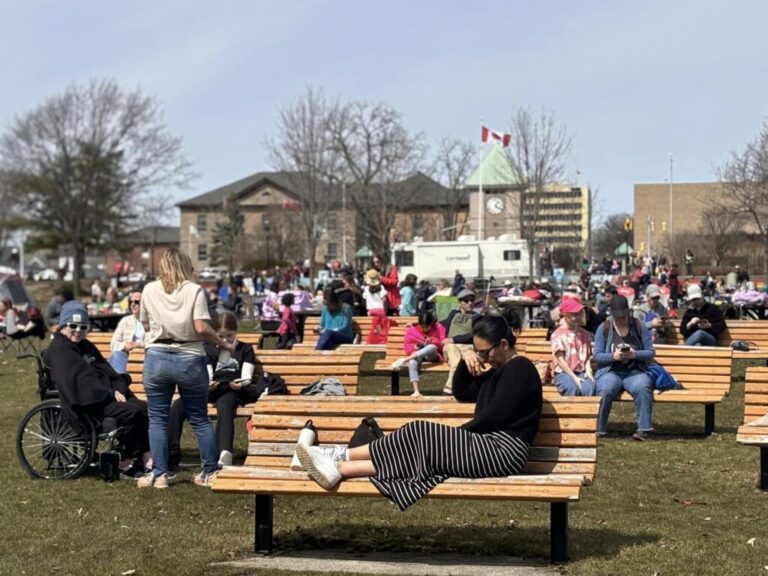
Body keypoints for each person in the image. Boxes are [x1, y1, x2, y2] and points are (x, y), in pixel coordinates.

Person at [294, 315, 542, 510]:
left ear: (504, 344)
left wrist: (458, 435)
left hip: (504, 451)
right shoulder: (494, 373)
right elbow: (462, 392)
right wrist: (466, 362)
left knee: (421, 432)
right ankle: (339, 468)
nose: (483, 358)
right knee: (418, 443)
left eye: (485, 352)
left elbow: (499, 414)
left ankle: (336, 455)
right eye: (478, 352)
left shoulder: (521, 368)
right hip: (484, 446)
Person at [138, 248, 236, 489]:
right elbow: (201, 327)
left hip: (157, 355)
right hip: (189, 356)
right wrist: (223, 343)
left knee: (158, 419)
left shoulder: (149, 289)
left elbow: (144, 322)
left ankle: (160, 474)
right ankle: (209, 472)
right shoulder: (194, 290)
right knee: (199, 419)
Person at [46, 301, 150, 476]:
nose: (78, 330)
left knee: (144, 407)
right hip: (89, 402)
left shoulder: (84, 345)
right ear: (64, 325)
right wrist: (109, 392)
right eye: (73, 325)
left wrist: (120, 384)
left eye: (83, 326)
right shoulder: (60, 349)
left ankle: (146, 456)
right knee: (133, 412)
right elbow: (79, 381)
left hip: (103, 395)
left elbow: (104, 369)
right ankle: (125, 461)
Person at [168, 312, 257, 469]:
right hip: (213, 388)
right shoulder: (209, 350)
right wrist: (209, 384)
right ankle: (170, 451)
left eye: (229, 336)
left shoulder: (245, 349)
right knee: (179, 404)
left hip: (234, 389)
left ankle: (224, 452)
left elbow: (247, 377)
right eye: (220, 336)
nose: (225, 341)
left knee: (225, 404)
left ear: (236, 331)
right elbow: (207, 375)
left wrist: (240, 384)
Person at [594, 294, 655, 441]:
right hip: (610, 371)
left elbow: (650, 353)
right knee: (605, 389)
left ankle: (643, 430)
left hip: (634, 371)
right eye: (617, 316)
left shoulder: (639, 326)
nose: (621, 319)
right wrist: (613, 357)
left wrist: (635, 354)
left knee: (643, 386)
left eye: (623, 316)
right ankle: (599, 429)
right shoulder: (604, 328)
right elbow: (597, 355)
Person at [391, 310, 446, 397]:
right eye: (422, 326)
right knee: (412, 362)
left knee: (432, 347)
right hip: (417, 354)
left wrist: (433, 340)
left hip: (433, 356)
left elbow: (443, 343)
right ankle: (416, 391)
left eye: (427, 327)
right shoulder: (412, 330)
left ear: (431, 324)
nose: (424, 329)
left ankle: (404, 360)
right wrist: (415, 347)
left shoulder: (438, 328)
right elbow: (407, 346)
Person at [440, 288, 481, 395]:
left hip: (468, 348)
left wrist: (455, 339)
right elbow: (439, 324)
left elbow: (475, 335)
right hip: (450, 347)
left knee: (463, 360)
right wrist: (416, 325)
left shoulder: (477, 317)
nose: (470, 303)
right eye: (466, 300)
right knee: (456, 361)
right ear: (459, 302)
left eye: (472, 300)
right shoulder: (453, 314)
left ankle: (449, 389)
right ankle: (451, 389)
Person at [550, 298, 595, 396]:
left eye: (579, 312)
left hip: (581, 371)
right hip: (563, 373)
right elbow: (560, 361)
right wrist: (574, 377)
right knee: (572, 388)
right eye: (574, 314)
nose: (578, 316)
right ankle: (570, 411)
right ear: (565, 315)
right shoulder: (557, 334)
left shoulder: (585, 334)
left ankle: (588, 411)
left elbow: (587, 356)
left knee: (589, 388)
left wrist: (588, 371)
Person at [108, 290, 145, 374]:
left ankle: (117, 384)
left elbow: (154, 343)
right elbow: (114, 343)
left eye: (136, 302)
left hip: (144, 358)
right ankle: (119, 383)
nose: (133, 304)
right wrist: (124, 345)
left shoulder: (152, 321)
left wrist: (138, 345)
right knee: (117, 355)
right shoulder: (125, 321)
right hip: (125, 358)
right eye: (130, 302)